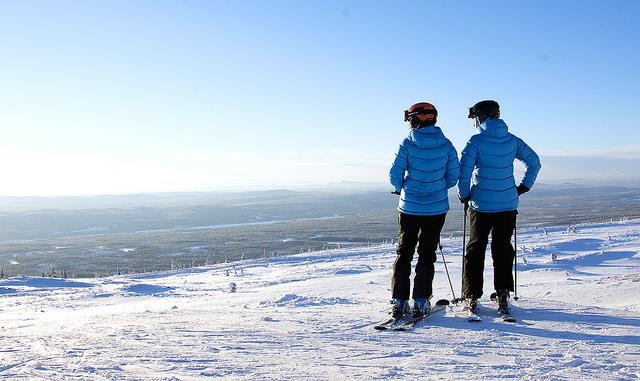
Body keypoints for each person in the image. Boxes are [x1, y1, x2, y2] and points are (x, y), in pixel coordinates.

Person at [458, 100, 541, 316]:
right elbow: (534, 162)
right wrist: (522, 187)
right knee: (502, 248)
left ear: (479, 118)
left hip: (481, 205)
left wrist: (464, 195)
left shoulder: (475, 141)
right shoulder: (512, 140)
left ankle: (472, 295)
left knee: (475, 249)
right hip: (507, 204)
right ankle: (502, 293)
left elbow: (464, 172)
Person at [388, 102, 460, 318]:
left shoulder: (407, 144)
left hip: (409, 207)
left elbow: (394, 174)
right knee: (427, 254)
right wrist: (438, 187)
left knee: (404, 253)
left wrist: (400, 189)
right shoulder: (446, 144)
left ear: (414, 119)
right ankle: (421, 301)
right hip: (436, 209)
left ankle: (399, 301)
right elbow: (453, 176)